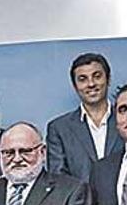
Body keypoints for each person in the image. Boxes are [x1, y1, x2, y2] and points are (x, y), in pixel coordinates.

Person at [46, 53, 122, 183]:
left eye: (97, 76)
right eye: (83, 79)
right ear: (75, 86)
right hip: (80, 202)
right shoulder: (59, 128)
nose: (91, 84)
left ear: (108, 79)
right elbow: (59, 179)